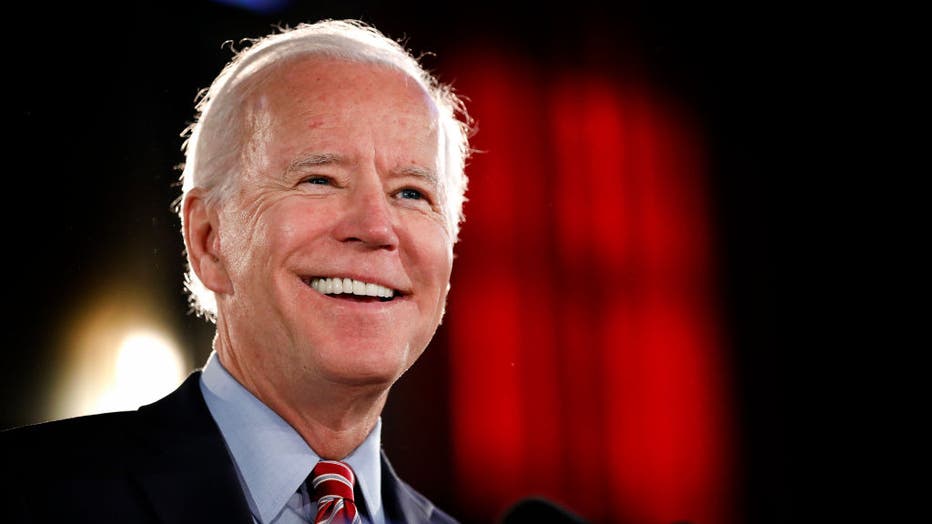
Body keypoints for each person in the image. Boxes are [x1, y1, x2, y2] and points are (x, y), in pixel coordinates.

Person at [0, 19, 471, 524]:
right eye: (319, 179)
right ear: (209, 240)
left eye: (411, 193)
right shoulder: (26, 494)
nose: (377, 227)